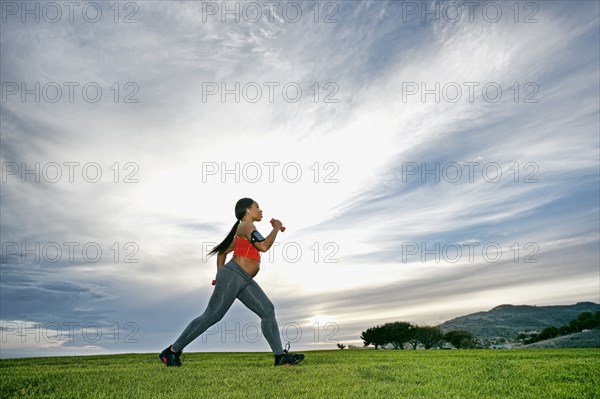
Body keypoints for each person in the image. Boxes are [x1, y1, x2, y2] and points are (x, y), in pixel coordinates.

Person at [159, 197, 305, 367]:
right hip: (235, 276)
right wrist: (277, 228)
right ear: (248, 210)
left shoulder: (242, 230)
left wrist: (220, 274)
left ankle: (280, 357)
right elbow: (263, 246)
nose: (261, 210)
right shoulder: (246, 226)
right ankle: (171, 352)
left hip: (243, 279)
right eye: (257, 207)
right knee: (211, 316)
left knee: (267, 310)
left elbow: (222, 253)